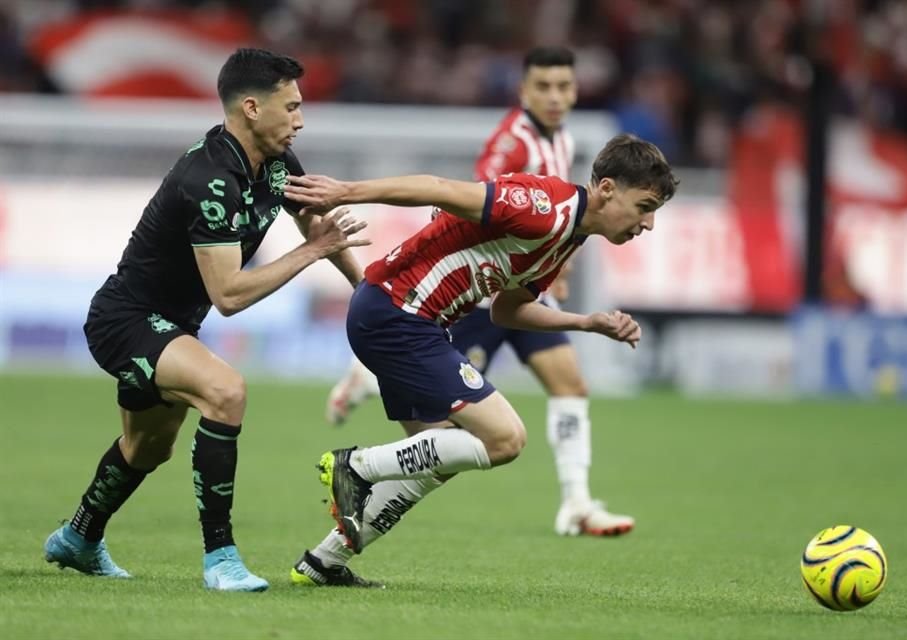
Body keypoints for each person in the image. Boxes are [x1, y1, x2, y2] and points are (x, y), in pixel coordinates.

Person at [284, 133, 678, 588]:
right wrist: (345, 191)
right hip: (398, 311)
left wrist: (587, 322)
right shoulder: (545, 206)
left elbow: (506, 310)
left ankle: (322, 562)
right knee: (505, 439)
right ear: (607, 188)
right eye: (645, 206)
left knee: (434, 460)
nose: (647, 224)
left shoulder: (570, 236)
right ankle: (356, 467)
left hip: (410, 320)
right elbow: (437, 187)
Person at [42, 48, 368, 592]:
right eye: (290, 107)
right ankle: (221, 558)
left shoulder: (278, 161)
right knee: (226, 391)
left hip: (171, 325)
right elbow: (230, 295)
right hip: (127, 320)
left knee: (147, 447)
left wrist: (367, 290)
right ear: (251, 108)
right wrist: (313, 253)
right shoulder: (211, 178)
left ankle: (79, 537)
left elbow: (317, 223)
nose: (300, 119)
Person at [324, 46, 635, 537]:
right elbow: (464, 201)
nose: (555, 97)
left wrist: (560, 274)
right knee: (458, 441)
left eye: (564, 87)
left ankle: (576, 501)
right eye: (544, 87)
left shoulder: (563, 141)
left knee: (564, 388)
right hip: (468, 297)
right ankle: (364, 413)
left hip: (514, 292)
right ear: (524, 90)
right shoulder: (513, 144)